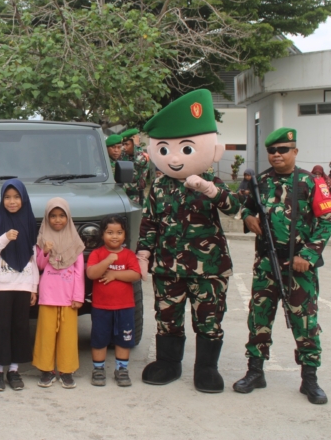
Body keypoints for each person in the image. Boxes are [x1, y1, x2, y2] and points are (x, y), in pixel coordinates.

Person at [138, 89, 241, 393]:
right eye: (166, 149)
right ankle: (169, 363)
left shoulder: (214, 183)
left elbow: (236, 208)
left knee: (209, 319)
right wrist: (143, 254)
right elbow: (150, 221)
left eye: (185, 149)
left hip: (209, 269)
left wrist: (210, 190)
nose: (175, 158)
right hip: (168, 267)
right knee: (167, 317)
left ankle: (206, 369)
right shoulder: (159, 186)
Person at [234, 127, 331, 405]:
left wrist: (309, 256)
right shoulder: (261, 181)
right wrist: (247, 217)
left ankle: (310, 379)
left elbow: (327, 219)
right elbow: (244, 205)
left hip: (299, 265)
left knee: (305, 322)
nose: (276, 155)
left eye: (282, 150)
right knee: (259, 318)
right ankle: (255, 371)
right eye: (272, 151)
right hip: (267, 262)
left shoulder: (311, 182)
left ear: (295, 152)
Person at [0, 179, 39, 391]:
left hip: (24, 285)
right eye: (7, 197)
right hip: (3, 285)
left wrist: (34, 286)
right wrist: (4, 238)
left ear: (24, 199)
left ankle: (14, 370)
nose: (12, 201)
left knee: (20, 327)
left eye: (16, 197)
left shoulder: (29, 223)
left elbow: (34, 257)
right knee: (2, 327)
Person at [32, 197, 85, 389]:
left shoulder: (75, 242)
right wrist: (45, 251)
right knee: (46, 334)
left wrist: (78, 297)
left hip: (69, 296)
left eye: (62, 215)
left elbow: (79, 272)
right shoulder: (42, 238)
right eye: (53, 216)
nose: (57, 220)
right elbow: (38, 266)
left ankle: (66, 370)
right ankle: (46, 370)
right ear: (47, 218)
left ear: (68, 217)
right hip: (48, 295)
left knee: (68, 335)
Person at [86, 215, 141, 387]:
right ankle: (98, 369)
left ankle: (122, 369)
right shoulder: (97, 254)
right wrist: (107, 261)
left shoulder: (129, 255)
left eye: (119, 232)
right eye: (110, 232)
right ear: (102, 235)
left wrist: (114, 274)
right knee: (99, 338)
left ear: (125, 235)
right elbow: (91, 273)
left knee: (124, 339)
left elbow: (136, 274)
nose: (115, 236)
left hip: (125, 307)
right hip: (101, 307)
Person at [120, 129, 150, 206]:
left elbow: (140, 161)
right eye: (123, 144)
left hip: (136, 198)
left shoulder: (143, 156)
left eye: (127, 144)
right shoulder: (124, 156)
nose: (124, 147)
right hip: (123, 196)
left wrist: (137, 145)